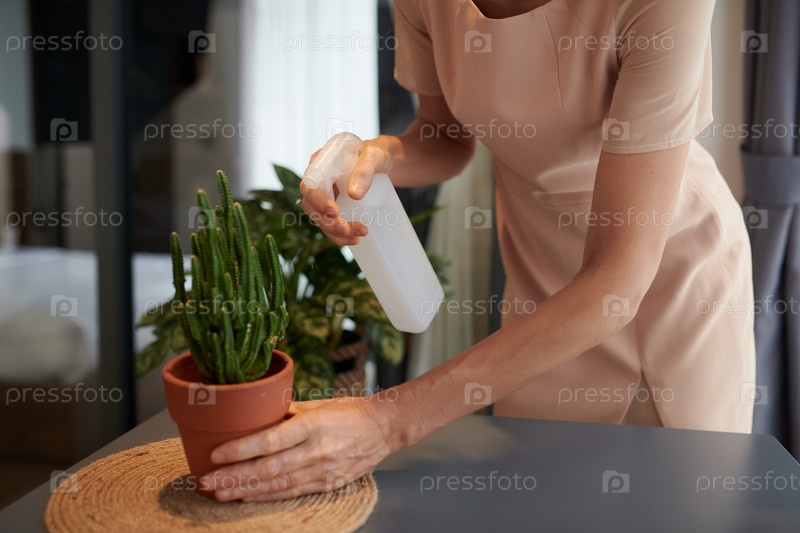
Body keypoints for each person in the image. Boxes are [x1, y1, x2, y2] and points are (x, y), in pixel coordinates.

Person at [200, 0, 755, 502]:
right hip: (542, 283)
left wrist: (388, 421)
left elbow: (617, 280)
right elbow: (444, 135)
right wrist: (379, 157)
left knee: (663, 504)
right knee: (540, 501)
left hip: (661, 282)